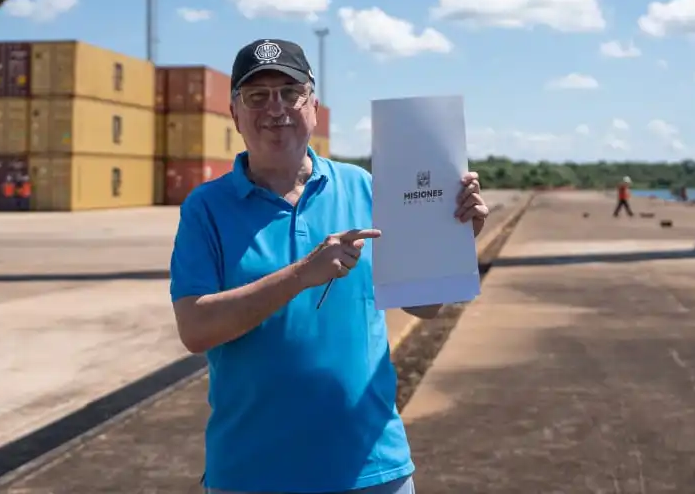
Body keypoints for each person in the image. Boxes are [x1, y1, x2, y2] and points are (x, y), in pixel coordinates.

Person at [168, 38, 490, 494]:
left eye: (290, 92)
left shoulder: (365, 187)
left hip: (373, 467)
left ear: (314, 107)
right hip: (252, 473)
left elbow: (425, 306)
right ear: (235, 114)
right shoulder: (206, 208)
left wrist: (452, 240)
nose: (275, 108)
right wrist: (302, 274)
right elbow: (195, 329)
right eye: (257, 96)